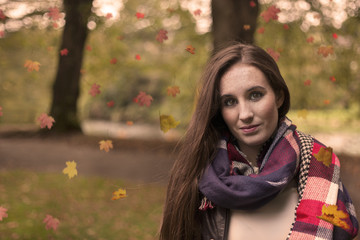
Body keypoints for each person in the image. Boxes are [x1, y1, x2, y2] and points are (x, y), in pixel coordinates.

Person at [159, 43, 358, 240]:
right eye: (229, 102)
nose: (245, 114)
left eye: (255, 95)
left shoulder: (320, 165)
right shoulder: (196, 176)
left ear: (278, 96)